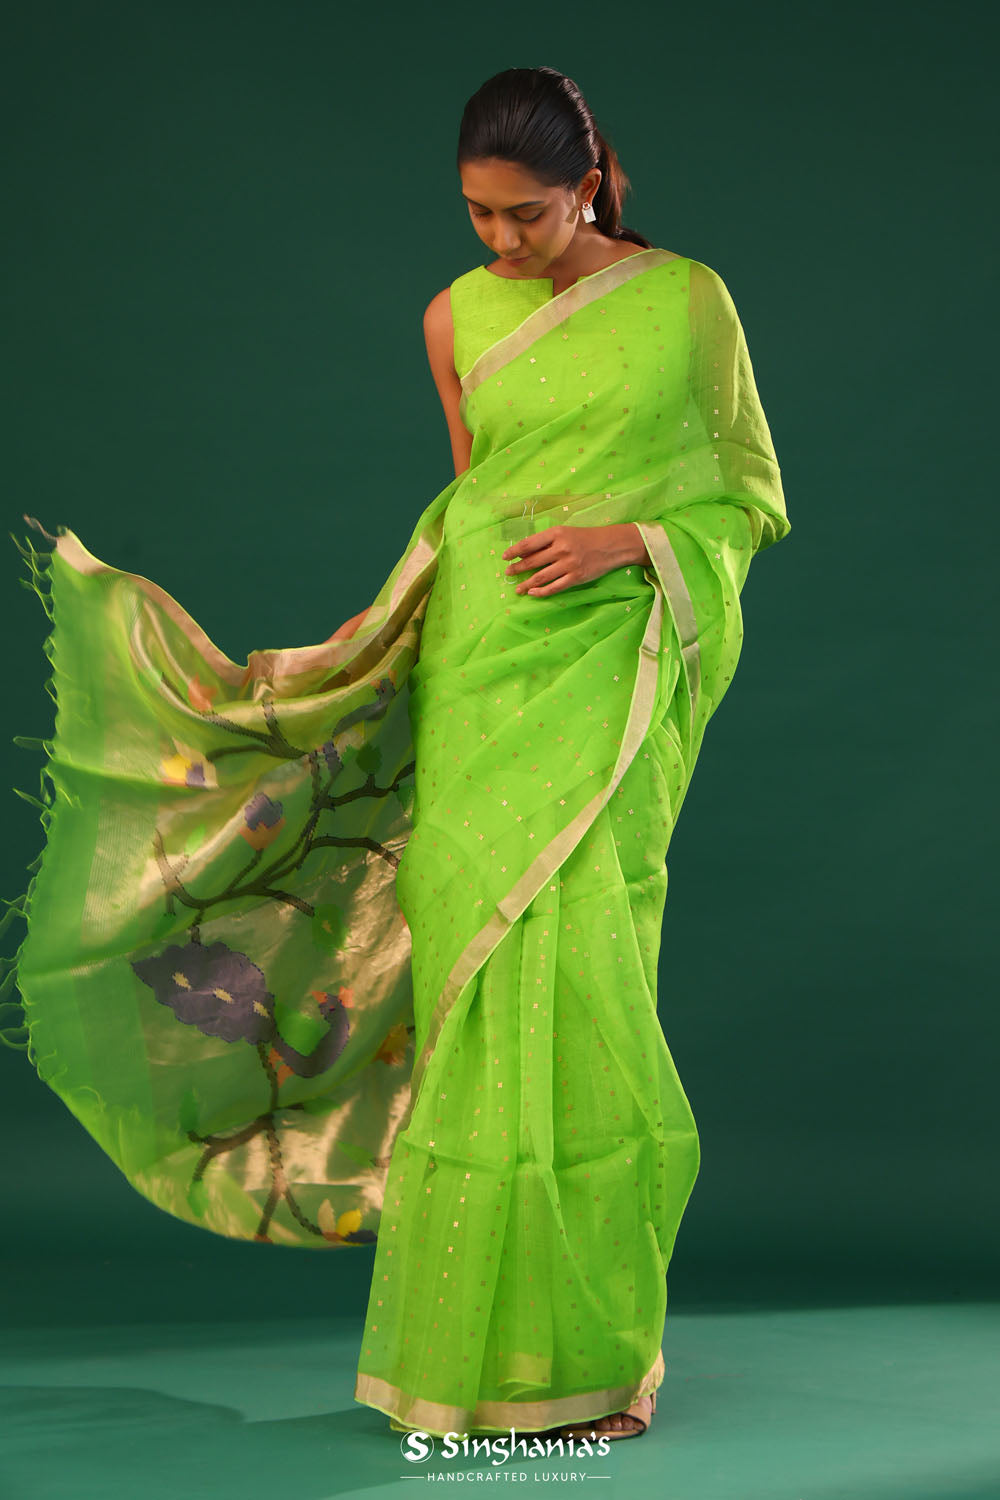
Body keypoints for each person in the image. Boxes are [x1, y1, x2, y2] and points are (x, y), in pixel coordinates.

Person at [0, 66, 790, 1446]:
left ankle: (596, 1353)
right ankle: (472, 1357)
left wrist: (631, 542)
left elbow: (747, 494)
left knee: (580, 971)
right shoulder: (451, 314)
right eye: (480, 213)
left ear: (589, 183)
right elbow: (476, 489)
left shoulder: (688, 303)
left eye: (528, 213)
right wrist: (405, 624)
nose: (502, 241)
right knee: (474, 984)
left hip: (606, 667)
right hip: (481, 661)